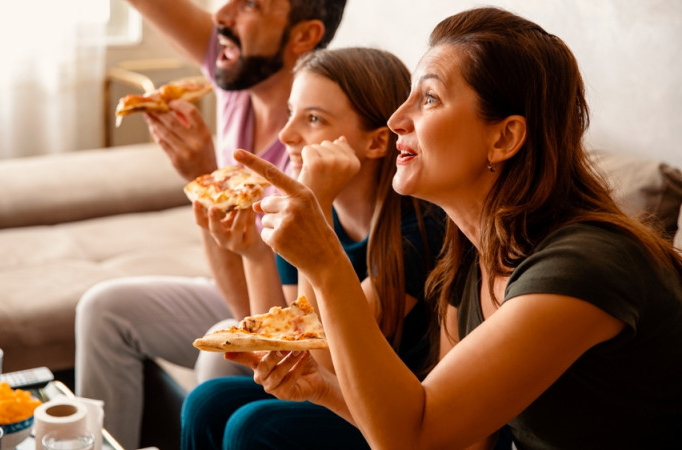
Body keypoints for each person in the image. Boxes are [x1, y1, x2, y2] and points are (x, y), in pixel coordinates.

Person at [229, 6, 682, 449]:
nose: (395, 120)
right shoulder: (469, 263)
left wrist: (327, 261)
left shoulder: (582, 266)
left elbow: (414, 438)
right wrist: (324, 389)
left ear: (503, 138)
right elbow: (449, 435)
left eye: (428, 98)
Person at [74, 1, 346, 449]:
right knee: (103, 308)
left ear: (303, 36)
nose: (222, 14)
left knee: (217, 364)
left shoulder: (313, 157)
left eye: (252, 5)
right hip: (235, 286)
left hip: (273, 309)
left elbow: (262, 320)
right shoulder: (239, 72)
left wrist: (205, 182)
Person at [181, 46, 446, 450]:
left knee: (252, 427)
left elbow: (320, 361)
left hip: (390, 417)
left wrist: (313, 211)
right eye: (291, 113)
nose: (285, 134)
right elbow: (285, 344)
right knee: (207, 399)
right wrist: (254, 253)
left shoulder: (419, 232)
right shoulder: (308, 209)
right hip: (332, 392)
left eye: (313, 119)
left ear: (377, 143)